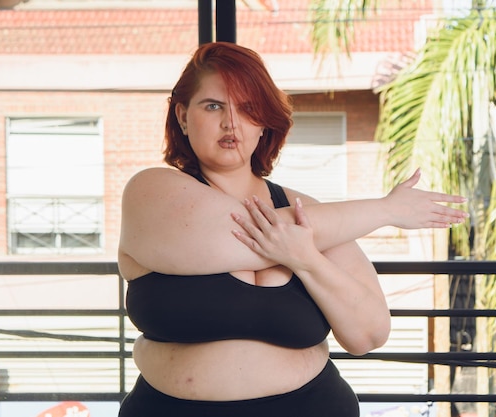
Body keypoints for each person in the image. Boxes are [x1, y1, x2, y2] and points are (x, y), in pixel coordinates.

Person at [117, 41, 468, 417]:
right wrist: (384, 209)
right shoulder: (151, 192)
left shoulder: (310, 214)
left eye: (248, 108)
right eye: (213, 105)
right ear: (183, 116)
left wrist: (305, 260)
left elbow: (369, 333)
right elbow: (235, 237)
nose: (231, 123)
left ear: (264, 122)